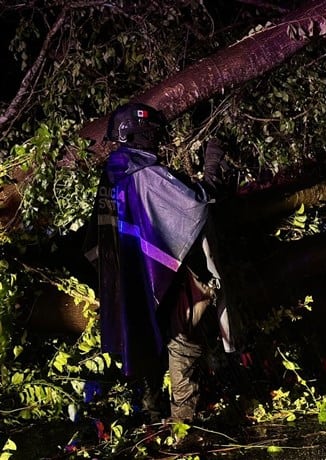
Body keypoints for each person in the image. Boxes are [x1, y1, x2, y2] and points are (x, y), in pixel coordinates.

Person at [84, 102, 233, 425]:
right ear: (138, 133)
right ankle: (182, 421)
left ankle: (151, 418)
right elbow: (194, 203)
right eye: (152, 133)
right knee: (181, 339)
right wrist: (212, 167)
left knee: (144, 337)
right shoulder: (145, 173)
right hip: (166, 273)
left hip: (131, 276)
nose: (156, 139)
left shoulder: (112, 173)